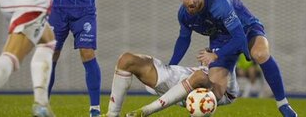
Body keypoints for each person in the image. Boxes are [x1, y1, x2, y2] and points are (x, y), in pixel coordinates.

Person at [164, 0, 297, 117]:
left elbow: (239, 38)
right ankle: (189, 104)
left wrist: (215, 55)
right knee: (215, 94)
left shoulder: (218, 3)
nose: (191, 2)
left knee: (260, 54)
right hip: (221, 39)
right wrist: (170, 68)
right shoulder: (183, 14)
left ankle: (283, 104)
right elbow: (184, 39)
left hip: (246, 29)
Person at [100, 51, 239, 117]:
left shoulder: (224, 72)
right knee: (126, 59)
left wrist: (222, 56)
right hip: (172, 77)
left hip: (201, 88)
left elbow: (231, 93)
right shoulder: (196, 68)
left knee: (199, 77)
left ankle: (145, 111)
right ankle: (112, 114)